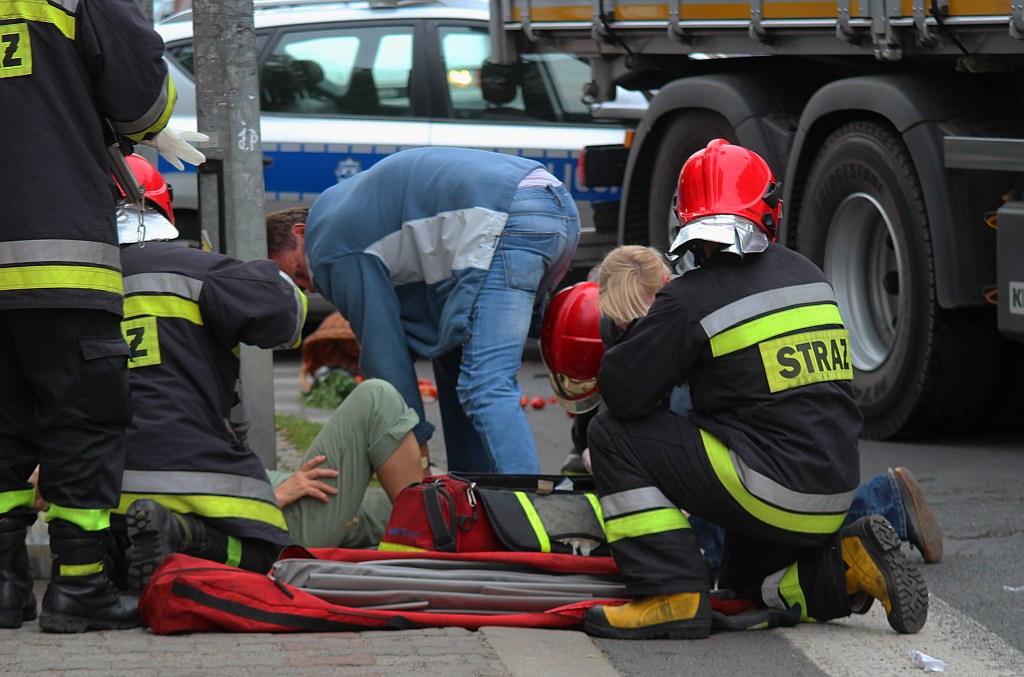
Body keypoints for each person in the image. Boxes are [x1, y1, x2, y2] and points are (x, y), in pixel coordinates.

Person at [581, 139, 929, 640]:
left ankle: (669, 591)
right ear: (771, 210)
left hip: (768, 490)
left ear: (684, 218)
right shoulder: (809, 275)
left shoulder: (689, 297)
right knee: (746, 591)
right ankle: (850, 563)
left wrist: (635, 337)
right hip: (832, 490)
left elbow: (623, 396)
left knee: (611, 433)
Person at [105, 157, 424, 593]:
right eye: (300, 274)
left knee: (375, 506)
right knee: (380, 400)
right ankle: (432, 543)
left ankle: (427, 517)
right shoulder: (197, 275)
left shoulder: (66, 295)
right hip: (220, 506)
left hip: (113, 500)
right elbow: (283, 315)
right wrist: (274, 491)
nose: (312, 285)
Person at [0, 0, 205, 634]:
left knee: (2, 425)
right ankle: (80, 589)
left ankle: (4, 588)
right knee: (82, 419)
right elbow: (143, 101)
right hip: (56, 251)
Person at [545, 248, 944, 566]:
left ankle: (883, 505)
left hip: (754, 472)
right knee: (769, 544)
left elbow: (669, 458)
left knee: (725, 559)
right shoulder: (705, 305)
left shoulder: (682, 330)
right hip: (800, 461)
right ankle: (887, 503)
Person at [266, 147, 581, 474]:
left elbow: (383, 353)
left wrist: (417, 456)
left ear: (300, 233)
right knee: (456, 356)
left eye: (296, 275)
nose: (309, 287)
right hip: (554, 205)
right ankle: (474, 497)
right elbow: (432, 326)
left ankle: (525, 514)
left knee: (485, 385)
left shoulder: (327, 246)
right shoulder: (348, 209)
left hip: (509, 218)